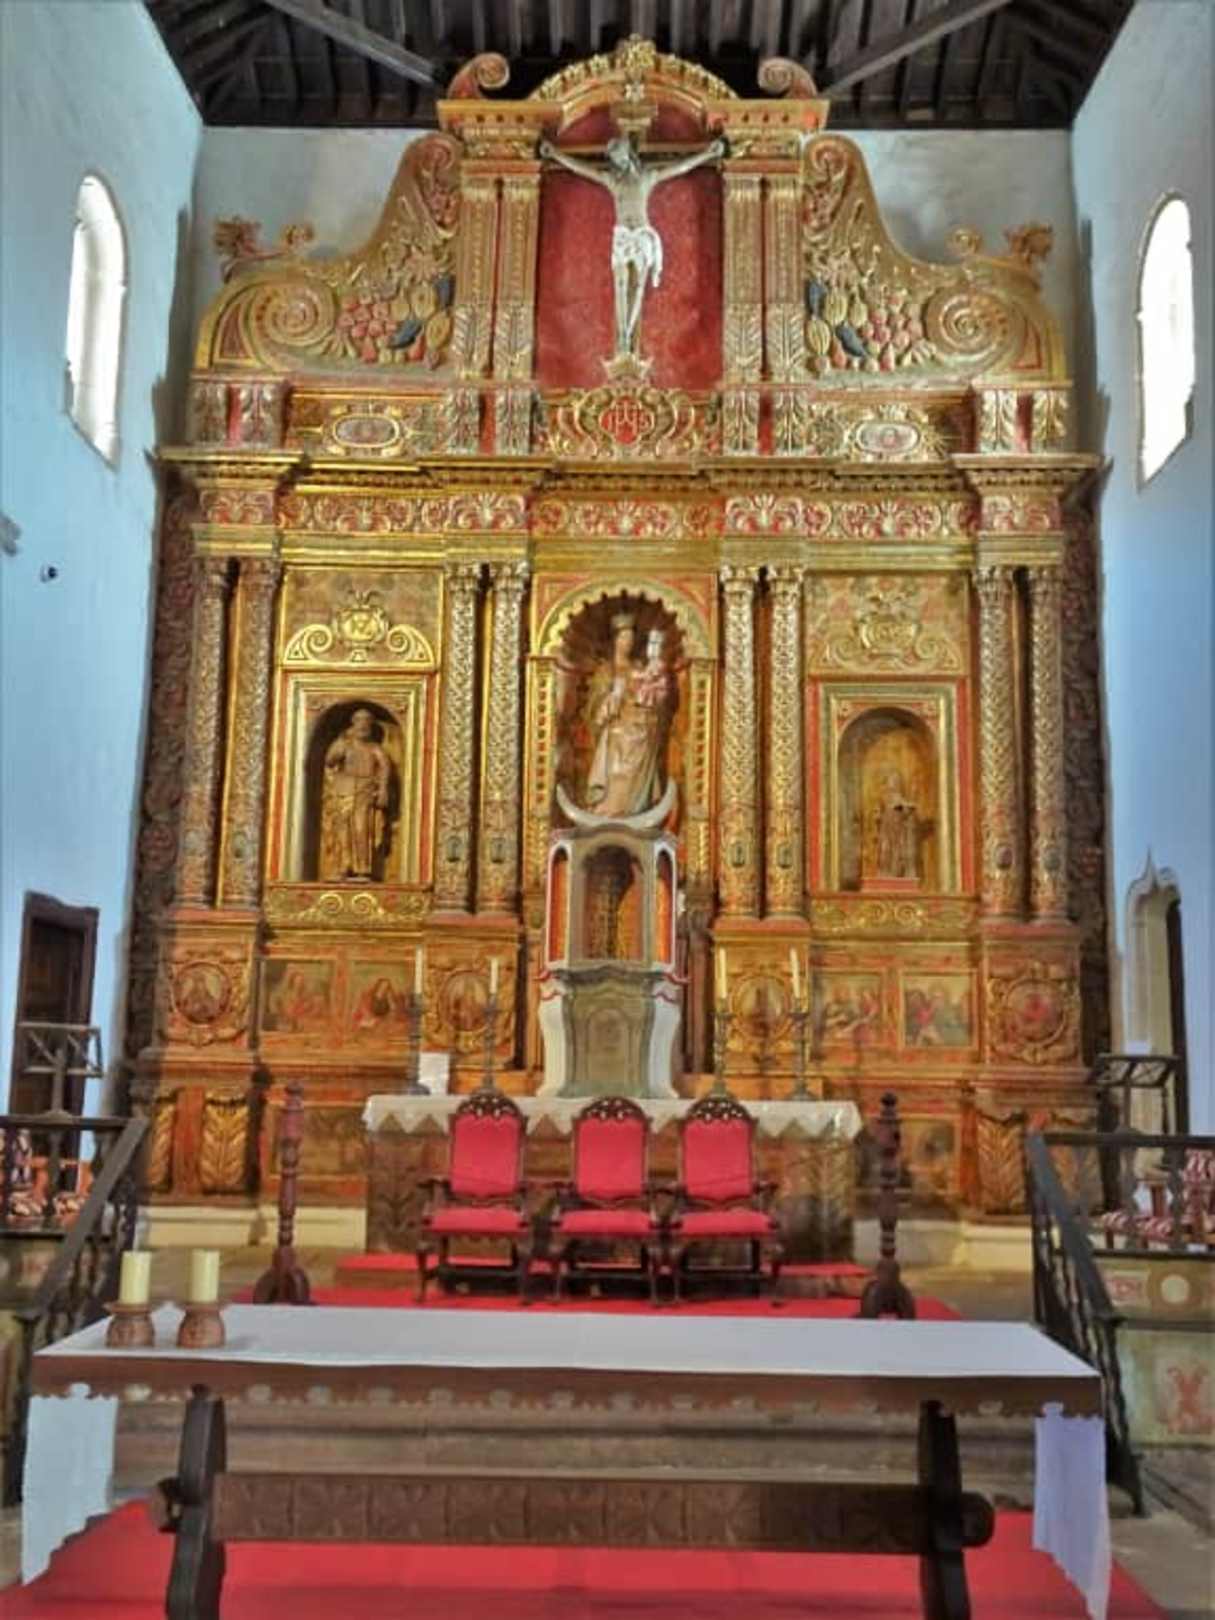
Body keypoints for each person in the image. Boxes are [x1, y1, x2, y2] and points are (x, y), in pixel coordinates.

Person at [539, 133, 725, 360]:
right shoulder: (612, 180)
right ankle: (623, 337)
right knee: (620, 284)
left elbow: (679, 168)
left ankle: (628, 332)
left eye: (620, 156)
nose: (617, 161)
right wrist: (555, 154)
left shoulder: (646, 178)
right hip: (622, 236)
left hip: (641, 235)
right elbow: (582, 169)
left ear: (628, 154)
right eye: (614, 159)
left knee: (638, 287)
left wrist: (707, 154)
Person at [584, 616, 671, 819]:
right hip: (614, 727)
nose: (627, 643)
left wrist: (653, 702)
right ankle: (608, 808)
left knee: (641, 750)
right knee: (615, 758)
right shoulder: (606, 670)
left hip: (639, 729)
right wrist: (608, 701)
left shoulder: (638, 668)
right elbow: (594, 705)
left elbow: (650, 697)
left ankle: (635, 809)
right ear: (615, 640)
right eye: (623, 638)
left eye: (630, 639)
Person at [321, 708, 391, 880]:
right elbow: (330, 760)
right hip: (344, 790)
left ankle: (362, 868)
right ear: (353, 724)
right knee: (342, 830)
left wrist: (383, 789)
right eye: (359, 720)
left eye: (366, 721)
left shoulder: (374, 748)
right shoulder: (345, 744)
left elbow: (385, 767)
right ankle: (343, 867)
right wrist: (338, 746)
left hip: (365, 791)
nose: (363, 725)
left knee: (361, 829)